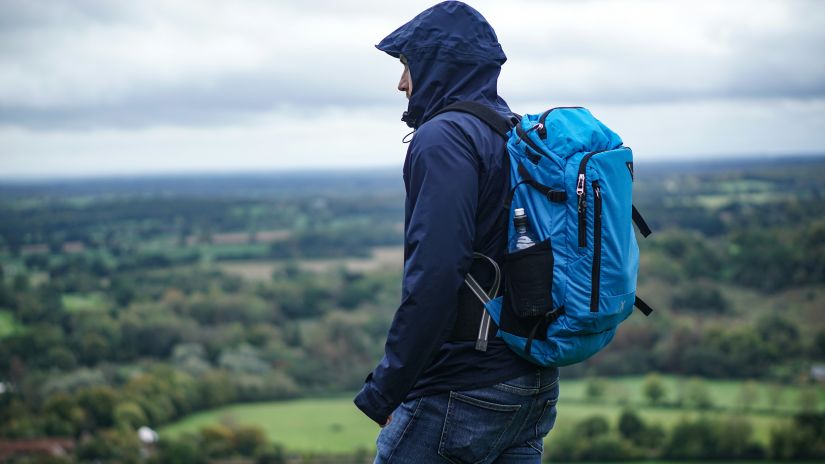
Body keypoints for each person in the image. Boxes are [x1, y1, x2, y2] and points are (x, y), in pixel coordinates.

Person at [354, 2, 559, 463]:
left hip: (463, 388)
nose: (401, 83)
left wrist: (386, 390)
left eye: (406, 65)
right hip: (532, 383)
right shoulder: (514, 132)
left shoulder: (444, 138)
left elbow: (434, 275)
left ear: (435, 66)